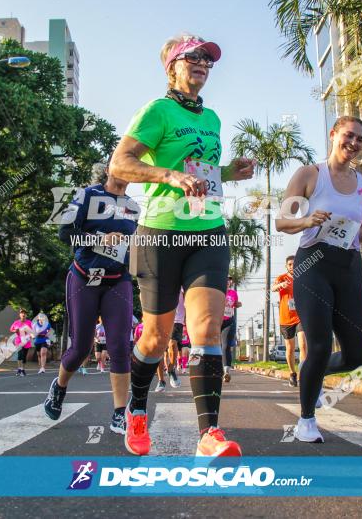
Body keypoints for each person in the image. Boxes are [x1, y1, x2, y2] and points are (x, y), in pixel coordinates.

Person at [111, 34, 254, 457]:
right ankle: (137, 408)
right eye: (193, 57)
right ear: (172, 66)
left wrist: (227, 172)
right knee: (155, 338)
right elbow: (120, 164)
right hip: (160, 233)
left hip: (207, 230)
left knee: (206, 330)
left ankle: (209, 435)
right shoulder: (157, 111)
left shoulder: (211, 118)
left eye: (208, 59)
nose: (203, 63)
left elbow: (200, 171)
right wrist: (169, 177)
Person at [275, 116, 362, 443]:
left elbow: (356, 230)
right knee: (318, 345)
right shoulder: (310, 174)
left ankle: (315, 375)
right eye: (348, 136)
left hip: (348, 266)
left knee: (358, 355)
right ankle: (306, 420)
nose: (353, 143)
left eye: (360, 139)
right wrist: (307, 219)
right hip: (314, 265)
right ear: (334, 135)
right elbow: (282, 221)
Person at [43, 161, 139, 435]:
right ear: (108, 169)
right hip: (84, 277)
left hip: (116, 281)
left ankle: (120, 413)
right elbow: (65, 233)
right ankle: (59, 387)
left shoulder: (133, 207)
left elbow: (133, 248)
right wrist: (99, 239)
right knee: (81, 348)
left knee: (120, 347)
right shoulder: (86, 196)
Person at [272, 255, 306, 387]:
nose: (292, 266)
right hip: (286, 318)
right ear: (287, 266)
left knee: (303, 345)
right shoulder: (282, 278)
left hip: (300, 316)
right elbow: (273, 288)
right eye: (290, 264)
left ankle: (303, 375)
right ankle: (292, 373)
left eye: (294, 264)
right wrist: (280, 285)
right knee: (290, 348)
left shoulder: (303, 276)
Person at [221, 276, 241, 383]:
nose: (228, 281)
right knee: (217, 347)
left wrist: (238, 304)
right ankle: (218, 369)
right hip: (216, 321)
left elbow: (235, 304)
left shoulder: (233, 293)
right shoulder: (217, 291)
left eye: (229, 280)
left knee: (226, 345)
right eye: (226, 279)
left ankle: (226, 371)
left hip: (229, 321)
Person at [166, 289, 185, 387]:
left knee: (173, 344)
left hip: (177, 320)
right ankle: (161, 380)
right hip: (162, 317)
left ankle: (171, 368)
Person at [10, 309, 33, 377]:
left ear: (26, 315)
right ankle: (19, 369)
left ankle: (23, 369)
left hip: (26, 341)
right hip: (19, 341)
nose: (23, 314)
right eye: (22, 313)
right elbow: (11, 329)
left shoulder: (29, 322)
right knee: (19, 355)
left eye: (24, 313)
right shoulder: (16, 322)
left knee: (24, 356)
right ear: (20, 315)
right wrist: (15, 330)